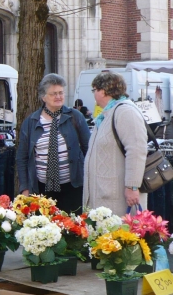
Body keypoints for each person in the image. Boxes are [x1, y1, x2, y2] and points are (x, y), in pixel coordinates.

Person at [17, 74, 90, 213]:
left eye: (61, 93)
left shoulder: (75, 117)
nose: (58, 97)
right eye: (54, 94)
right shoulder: (31, 122)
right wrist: (25, 188)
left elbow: (89, 150)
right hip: (41, 189)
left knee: (73, 229)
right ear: (43, 97)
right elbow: (22, 157)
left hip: (73, 188)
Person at [83, 71, 148, 216]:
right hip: (105, 193)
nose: (93, 94)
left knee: (118, 236)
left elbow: (137, 150)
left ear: (104, 91)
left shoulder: (125, 111)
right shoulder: (108, 113)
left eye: (94, 90)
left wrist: (132, 186)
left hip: (116, 197)